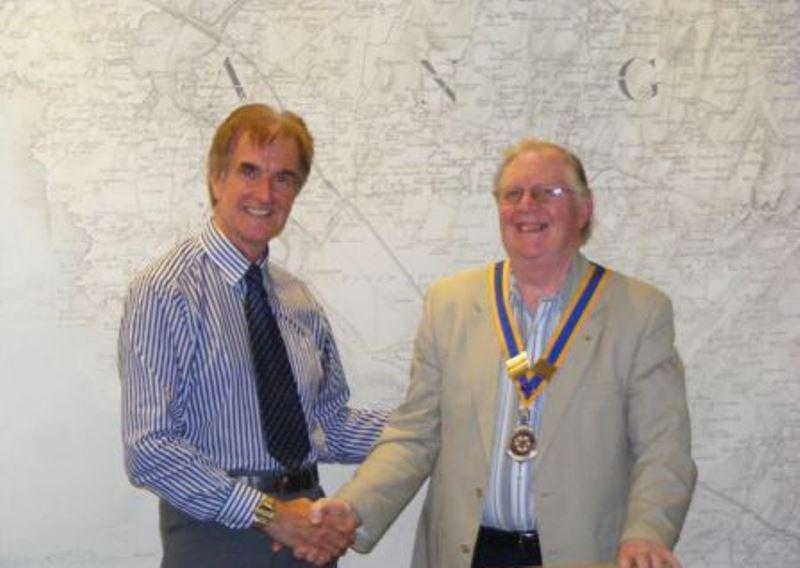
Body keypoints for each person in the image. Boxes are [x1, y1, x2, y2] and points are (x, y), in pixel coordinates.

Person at [310, 138, 697, 568]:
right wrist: (352, 509)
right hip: (469, 555)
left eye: (547, 192)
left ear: (584, 210)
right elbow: (415, 435)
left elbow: (663, 449)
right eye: (513, 194)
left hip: (585, 555)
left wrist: (646, 534)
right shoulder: (449, 304)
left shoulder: (639, 312)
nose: (526, 205)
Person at [118, 103, 388, 568]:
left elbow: (328, 427)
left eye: (283, 178)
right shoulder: (165, 290)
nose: (265, 192)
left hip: (308, 531)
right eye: (249, 171)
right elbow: (150, 448)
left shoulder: (298, 299)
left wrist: (431, 424)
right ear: (216, 179)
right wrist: (268, 513)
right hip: (216, 536)